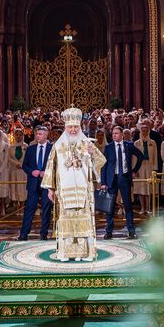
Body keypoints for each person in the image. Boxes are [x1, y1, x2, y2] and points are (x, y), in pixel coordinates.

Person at [42, 108, 106, 262]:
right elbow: (51, 167)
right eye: (70, 127)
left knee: (83, 221)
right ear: (65, 127)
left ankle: (85, 253)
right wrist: (50, 189)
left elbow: (101, 160)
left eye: (75, 127)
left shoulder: (86, 143)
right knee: (66, 221)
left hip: (83, 192)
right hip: (64, 191)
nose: (73, 130)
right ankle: (66, 253)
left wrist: (92, 153)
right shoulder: (57, 145)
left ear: (79, 127)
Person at [102, 125, 140, 240]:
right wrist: (103, 182)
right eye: (113, 133)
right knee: (110, 207)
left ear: (122, 134)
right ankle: (108, 231)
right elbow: (104, 166)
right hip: (111, 179)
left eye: (116, 133)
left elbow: (140, 156)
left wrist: (134, 170)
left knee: (128, 206)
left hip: (124, 178)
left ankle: (131, 231)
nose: (114, 135)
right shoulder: (108, 148)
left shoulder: (129, 145)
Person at [19, 125, 53, 241]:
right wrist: (31, 171)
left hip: (47, 183)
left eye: (40, 134)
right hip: (33, 183)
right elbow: (25, 165)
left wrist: (46, 173)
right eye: (37, 134)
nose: (37, 136)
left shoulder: (52, 148)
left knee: (46, 209)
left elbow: (56, 166)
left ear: (46, 135)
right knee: (29, 208)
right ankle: (23, 234)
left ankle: (44, 234)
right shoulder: (31, 149)